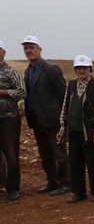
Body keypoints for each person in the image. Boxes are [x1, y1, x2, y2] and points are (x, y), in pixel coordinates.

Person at [57, 55, 94, 203]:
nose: (82, 70)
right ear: (75, 70)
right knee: (75, 163)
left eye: (85, 68)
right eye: (79, 68)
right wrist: (62, 127)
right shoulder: (71, 85)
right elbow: (65, 108)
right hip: (74, 131)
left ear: (90, 69)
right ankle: (78, 192)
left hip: (92, 132)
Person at [22, 35, 70, 195]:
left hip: (53, 119)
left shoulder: (51, 69)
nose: (29, 50)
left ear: (39, 49)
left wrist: (63, 118)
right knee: (45, 155)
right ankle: (53, 181)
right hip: (36, 119)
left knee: (60, 153)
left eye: (32, 47)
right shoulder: (28, 71)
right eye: (26, 48)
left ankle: (66, 183)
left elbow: (64, 94)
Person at [0, 39, 27, 201]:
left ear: (3, 52)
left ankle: (12, 187)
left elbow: (22, 92)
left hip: (9, 119)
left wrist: (3, 92)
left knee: (11, 153)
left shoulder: (11, 72)